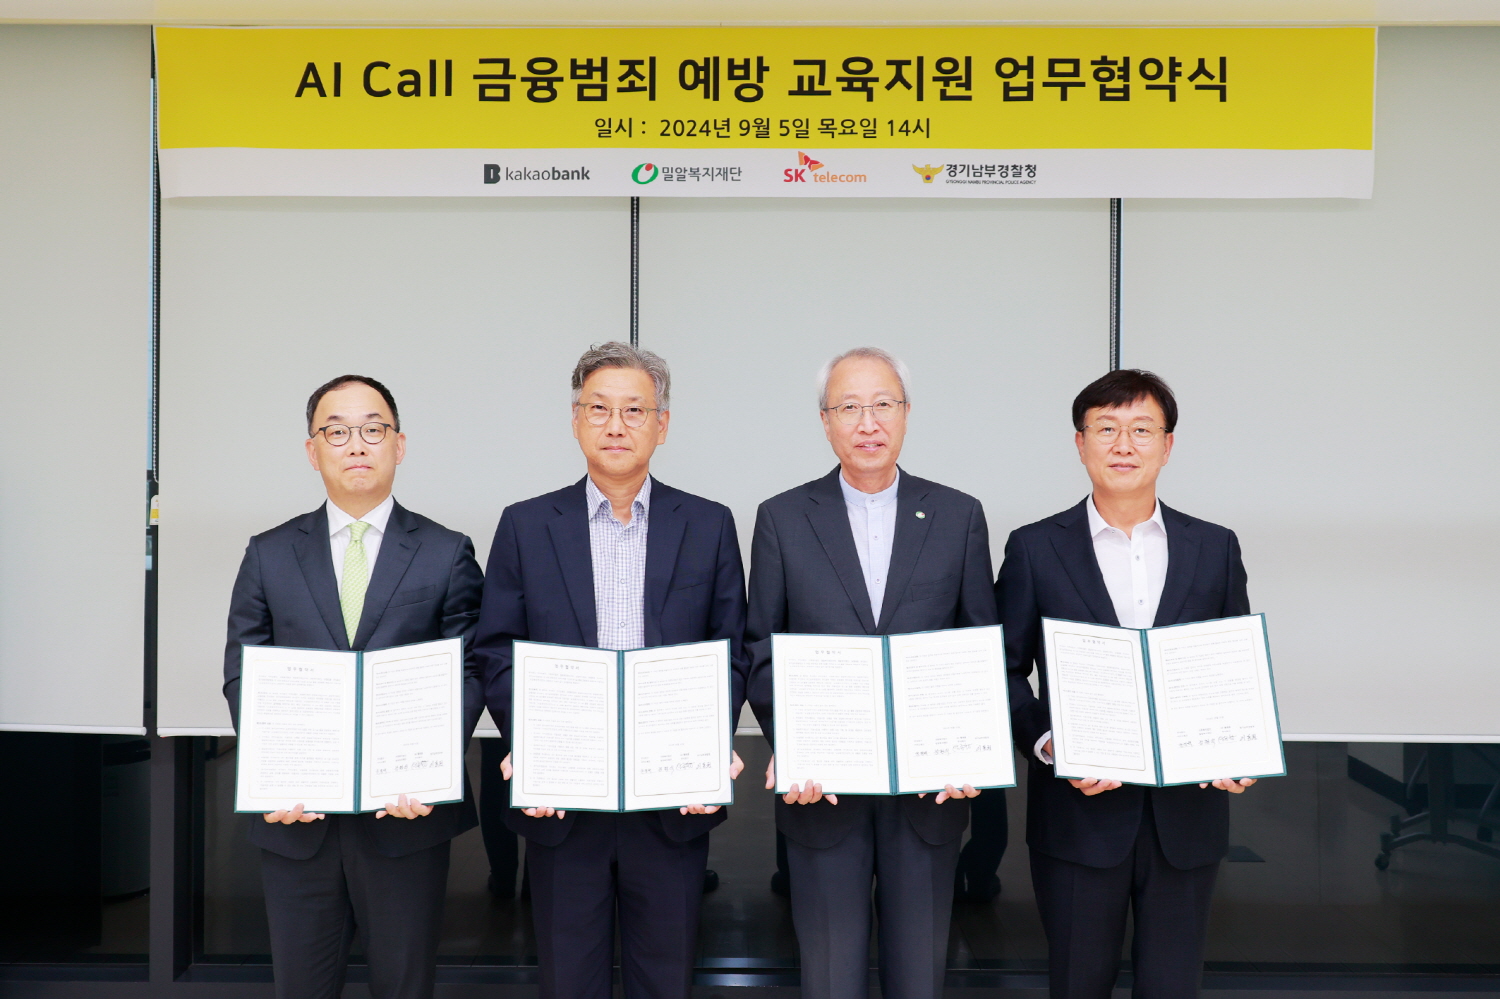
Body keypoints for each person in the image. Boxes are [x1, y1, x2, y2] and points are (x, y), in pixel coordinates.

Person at [476, 341, 749, 999]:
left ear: (662, 424)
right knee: (570, 980)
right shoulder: (526, 525)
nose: (616, 425)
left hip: (671, 802)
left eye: (635, 410)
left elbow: (731, 649)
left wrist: (707, 741)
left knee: (666, 979)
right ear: (576, 421)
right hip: (564, 803)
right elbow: (496, 648)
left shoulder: (708, 524)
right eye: (599, 409)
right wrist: (533, 741)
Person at [223, 375, 485, 999]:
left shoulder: (446, 551)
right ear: (312, 450)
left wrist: (431, 766)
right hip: (297, 819)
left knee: (404, 985)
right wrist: (272, 771)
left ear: (399, 444)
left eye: (373, 429)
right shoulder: (268, 553)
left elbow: (469, 668)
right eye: (337, 432)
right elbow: (243, 671)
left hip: (406, 816)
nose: (357, 444)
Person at [746, 346, 996, 999]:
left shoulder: (958, 515)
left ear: (907, 413)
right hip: (822, 795)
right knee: (830, 978)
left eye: (883, 403)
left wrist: (967, 746)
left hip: (930, 798)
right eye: (849, 406)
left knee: (919, 979)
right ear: (825, 420)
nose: (868, 422)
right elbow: (761, 648)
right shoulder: (783, 517)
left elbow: (979, 647)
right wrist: (793, 744)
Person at [998, 369, 1256, 999]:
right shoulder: (1035, 548)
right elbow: (1001, 670)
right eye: (1106, 428)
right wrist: (1048, 744)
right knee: (1078, 983)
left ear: (1168, 445)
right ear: (1080, 442)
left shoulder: (1215, 547)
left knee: (1173, 986)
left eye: (1142, 430)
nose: (1123, 445)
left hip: (1186, 818)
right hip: (1078, 817)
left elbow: (1231, 669)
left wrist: (1237, 745)